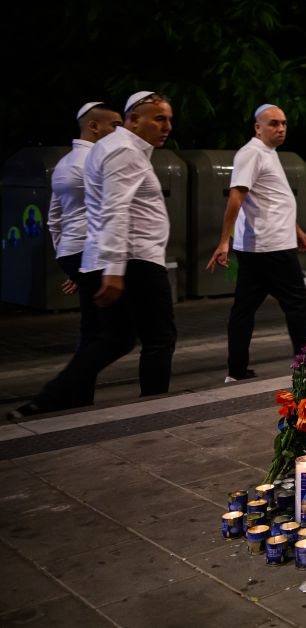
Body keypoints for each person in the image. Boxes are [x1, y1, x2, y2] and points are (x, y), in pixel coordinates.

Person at [9, 91, 177, 419]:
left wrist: (78, 261)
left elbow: (59, 215)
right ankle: (156, 410)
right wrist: (113, 270)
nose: (167, 126)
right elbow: (115, 209)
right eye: (159, 118)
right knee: (159, 338)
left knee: (113, 339)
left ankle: (50, 398)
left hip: (108, 258)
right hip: (135, 259)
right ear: (133, 120)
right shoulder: (125, 151)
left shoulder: (108, 150)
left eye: (169, 119)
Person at [207, 103, 306, 383]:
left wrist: (297, 229)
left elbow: (271, 200)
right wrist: (223, 242)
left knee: (244, 309)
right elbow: (236, 197)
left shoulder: (268, 153)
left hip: (265, 245)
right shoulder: (251, 153)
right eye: (273, 124)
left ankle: (236, 370)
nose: (280, 129)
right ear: (258, 127)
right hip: (272, 247)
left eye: (283, 123)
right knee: (297, 305)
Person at [47, 101, 123, 354]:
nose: (120, 132)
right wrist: (89, 261)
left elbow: (54, 219)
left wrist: (69, 259)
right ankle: (72, 388)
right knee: (109, 333)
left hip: (71, 251)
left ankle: (79, 389)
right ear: (93, 126)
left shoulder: (63, 164)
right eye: (115, 125)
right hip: (93, 253)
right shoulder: (96, 161)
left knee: (92, 327)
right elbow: (109, 213)